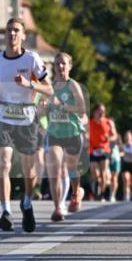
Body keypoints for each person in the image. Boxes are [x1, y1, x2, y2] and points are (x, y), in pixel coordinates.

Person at [0, 17, 53, 232]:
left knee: (29, 168)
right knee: (5, 163)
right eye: (9, 30)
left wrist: (29, 84)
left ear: (23, 35)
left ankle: (26, 202)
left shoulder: (32, 59)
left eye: (16, 30)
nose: (12, 34)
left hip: (26, 118)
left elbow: (50, 89)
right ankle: (6, 211)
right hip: (4, 116)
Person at [44, 52, 86, 221]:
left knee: (71, 170)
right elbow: (43, 112)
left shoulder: (72, 85)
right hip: (54, 134)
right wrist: (42, 109)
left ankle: (77, 192)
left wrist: (61, 104)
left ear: (69, 66)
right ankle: (58, 207)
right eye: (57, 64)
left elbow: (81, 109)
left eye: (63, 64)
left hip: (72, 134)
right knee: (55, 168)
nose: (60, 67)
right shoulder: (50, 87)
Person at [88, 104, 117, 201]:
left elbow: (115, 136)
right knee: (94, 173)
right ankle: (96, 191)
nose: (101, 113)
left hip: (104, 150)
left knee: (103, 173)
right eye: (99, 111)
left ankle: (102, 194)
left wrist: (109, 138)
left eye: (103, 111)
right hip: (93, 149)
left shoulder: (108, 122)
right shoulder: (89, 123)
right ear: (95, 112)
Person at [120, 131, 132, 202]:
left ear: (131, 137)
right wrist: (121, 154)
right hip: (125, 164)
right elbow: (120, 153)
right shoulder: (123, 145)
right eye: (126, 136)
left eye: (129, 136)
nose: (128, 138)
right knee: (126, 180)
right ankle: (126, 196)